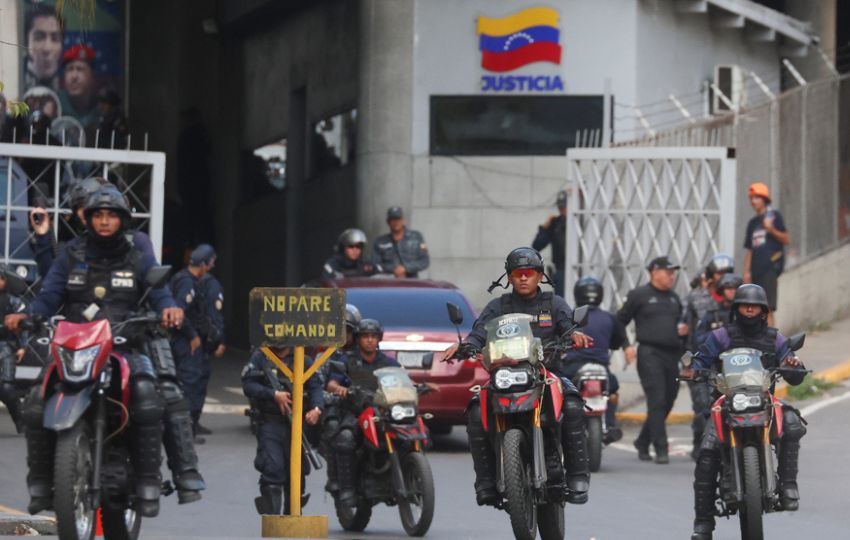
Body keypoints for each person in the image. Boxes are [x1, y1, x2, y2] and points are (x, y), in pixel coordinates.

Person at [5, 186, 185, 517]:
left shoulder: (137, 252)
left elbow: (158, 292)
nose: (104, 222)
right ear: (87, 219)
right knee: (35, 400)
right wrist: (28, 315)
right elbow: (49, 295)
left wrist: (169, 308)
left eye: (110, 216)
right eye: (98, 215)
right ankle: (41, 482)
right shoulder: (70, 254)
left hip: (125, 344)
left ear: (122, 219)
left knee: (148, 395)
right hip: (78, 344)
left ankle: (149, 481)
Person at [446, 247, 592, 506]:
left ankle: (577, 478)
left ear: (540, 276)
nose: (524, 277)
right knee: (475, 410)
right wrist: (464, 345)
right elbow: (478, 335)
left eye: (529, 272)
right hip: (505, 374)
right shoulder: (497, 307)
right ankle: (486, 482)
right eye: (517, 273)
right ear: (509, 277)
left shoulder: (554, 304)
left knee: (572, 403)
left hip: (546, 373)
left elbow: (568, 327)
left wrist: (575, 335)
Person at [689, 284, 806, 540]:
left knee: (792, 424)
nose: (750, 309)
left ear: (763, 310)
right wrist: (694, 369)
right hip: (726, 401)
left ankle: (788, 486)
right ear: (736, 308)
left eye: (755, 305)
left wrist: (793, 364)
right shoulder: (721, 336)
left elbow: (793, 367)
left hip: (764, 400)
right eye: (745, 305)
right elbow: (700, 360)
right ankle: (703, 523)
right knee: (706, 452)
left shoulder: (775, 338)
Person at [618, 256, 687, 464]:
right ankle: (661, 448)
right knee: (656, 399)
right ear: (654, 272)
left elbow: (681, 325)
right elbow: (619, 321)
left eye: (673, 273)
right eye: (668, 272)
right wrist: (626, 346)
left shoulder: (674, 298)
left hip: (672, 355)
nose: (671, 277)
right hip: (650, 353)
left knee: (668, 399)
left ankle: (642, 441)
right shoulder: (639, 295)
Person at [323, 318, 400, 506]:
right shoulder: (347, 360)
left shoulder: (387, 362)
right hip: (356, 411)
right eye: (366, 336)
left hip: (383, 411)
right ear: (358, 338)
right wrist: (340, 389)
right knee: (346, 438)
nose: (370, 340)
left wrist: (416, 386)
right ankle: (347, 489)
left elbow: (402, 378)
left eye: (374, 336)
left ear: (379, 339)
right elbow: (331, 383)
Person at [242, 346, 324, 515]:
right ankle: (273, 519)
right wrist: (273, 394)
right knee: (273, 467)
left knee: (297, 472)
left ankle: (292, 514)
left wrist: (316, 409)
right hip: (270, 420)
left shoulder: (302, 359)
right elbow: (248, 385)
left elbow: (316, 387)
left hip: (297, 423)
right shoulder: (261, 357)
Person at [29, 178, 155, 279]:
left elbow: (153, 285)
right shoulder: (74, 246)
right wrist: (43, 236)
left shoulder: (137, 241)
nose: (83, 212)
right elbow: (50, 280)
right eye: (80, 207)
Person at [556, 276, 626, 444]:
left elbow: (557, 339)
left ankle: (560, 425)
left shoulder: (569, 317)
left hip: (573, 367)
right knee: (612, 391)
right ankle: (609, 425)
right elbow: (618, 341)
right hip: (601, 368)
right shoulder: (609, 318)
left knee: (558, 390)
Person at [169, 244, 223, 440]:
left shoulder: (187, 280)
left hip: (187, 340)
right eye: (209, 264)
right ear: (203, 264)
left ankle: (188, 428)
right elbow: (179, 313)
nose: (210, 268)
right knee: (188, 385)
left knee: (193, 382)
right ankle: (184, 432)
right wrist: (192, 336)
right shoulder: (187, 283)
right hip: (185, 342)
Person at [682, 253, 734, 454]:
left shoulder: (736, 298)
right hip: (702, 359)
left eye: (727, 273)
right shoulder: (696, 297)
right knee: (703, 405)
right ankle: (700, 446)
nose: (723, 277)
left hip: (730, 362)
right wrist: (688, 363)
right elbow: (688, 332)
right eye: (719, 273)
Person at [320, 303, 361, 494]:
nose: (343, 335)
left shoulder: (367, 353)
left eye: (347, 331)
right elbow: (322, 384)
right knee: (333, 427)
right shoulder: (327, 355)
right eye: (339, 330)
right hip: (336, 404)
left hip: (364, 403)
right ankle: (335, 476)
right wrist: (339, 391)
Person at [743, 182, 790, 327]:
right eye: (752, 198)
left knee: (767, 308)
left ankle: (770, 339)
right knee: (754, 309)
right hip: (755, 272)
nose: (753, 201)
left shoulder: (774, 216)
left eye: (757, 197)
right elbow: (750, 249)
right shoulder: (752, 223)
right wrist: (746, 272)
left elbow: (786, 239)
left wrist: (771, 229)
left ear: (764, 199)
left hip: (769, 269)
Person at [193, 245, 226, 435]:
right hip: (201, 341)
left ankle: (192, 423)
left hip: (195, 338)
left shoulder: (187, 280)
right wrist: (219, 340)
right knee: (197, 382)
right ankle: (191, 423)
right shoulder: (210, 284)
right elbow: (214, 316)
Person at [0, 266, 27, 433]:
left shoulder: (13, 301)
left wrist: (22, 346)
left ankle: (20, 419)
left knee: (7, 388)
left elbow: (23, 325)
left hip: (6, 346)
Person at [372, 206, 430, 278]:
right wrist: (394, 269)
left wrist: (405, 268)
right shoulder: (380, 242)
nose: (396, 222)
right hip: (388, 281)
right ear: (388, 222)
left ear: (403, 220)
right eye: (393, 220)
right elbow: (375, 265)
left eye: (398, 219)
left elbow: (424, 261)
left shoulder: (416, 237)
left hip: (411, 281)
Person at [532, 190, 568, 296]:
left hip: (581, 268)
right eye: (560, 207)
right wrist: (544, 228)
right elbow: (537, 246)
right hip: (561, 270)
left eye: (564, 207)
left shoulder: (582, 221)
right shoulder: (556, 223)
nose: (561, 210)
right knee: (562, 300)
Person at [693, 273, 743, 347]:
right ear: (722, 290)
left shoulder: (745, 311)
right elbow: (698, 339)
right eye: (729, 288)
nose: (732, 291)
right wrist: (718, 333)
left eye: (735, 289)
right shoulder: (713, 312)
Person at [58, 44, 99, 129]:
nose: (74, 76)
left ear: (92, 76)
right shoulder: (55, 103)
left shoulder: (101, 106)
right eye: (70, 69)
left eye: (80, 69)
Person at [23, 5, 62, 92]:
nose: (47, 48)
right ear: (25, 43)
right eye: (39, 38)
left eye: (55, 38)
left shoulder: (71, 91)